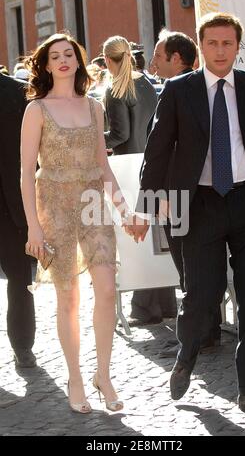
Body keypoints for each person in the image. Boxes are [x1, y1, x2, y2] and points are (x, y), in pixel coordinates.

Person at [135, 12, 245, 415]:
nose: (220, 50)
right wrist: (148, 206)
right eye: (212, 43)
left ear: (237, 47)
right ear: (202, 44)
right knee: (201, 295)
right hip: (200, 204)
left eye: (228, 43)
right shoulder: (180, 89)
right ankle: (186, 355)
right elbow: (157, 149)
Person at [20, 32, 139, 414]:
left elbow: (103, 166)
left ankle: (103, 375)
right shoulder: (36, 109)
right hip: (52, 205)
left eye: (69, 53)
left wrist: (124, 210)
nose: (63, 60)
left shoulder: (94, 107)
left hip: (92, 203)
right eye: (55, 56)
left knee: (106, 289)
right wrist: (33, 228)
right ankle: (75, 376)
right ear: (46, 64)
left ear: (78, 60)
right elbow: (26, 173)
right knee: (68, 296)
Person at [153, 29, 222, 356]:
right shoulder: (197, 88)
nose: (152, 62)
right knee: (197, 266)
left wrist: (153, 200)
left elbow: (162, 149)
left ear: (176, 58)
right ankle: (206, 330)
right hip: (192, 193)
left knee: (188, 266)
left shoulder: (178, 90)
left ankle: (201, 335)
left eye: (158, 55)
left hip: (179, 195)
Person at [103, 35, 177, 325]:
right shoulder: (145, 82)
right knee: (158, 236)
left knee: (138, 238)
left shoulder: (115, 89)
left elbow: (119, 134)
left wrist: (95, 138)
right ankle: (167, 304)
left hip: (128, 167)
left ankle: (145, 308)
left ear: (109, 60)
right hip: (153, 163)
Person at [0, 72, 36, 368]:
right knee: (20, 281)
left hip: (16, 208)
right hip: (16, 206)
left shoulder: (21, 93)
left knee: (21, 281)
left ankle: (23, 346)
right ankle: (23, 348)